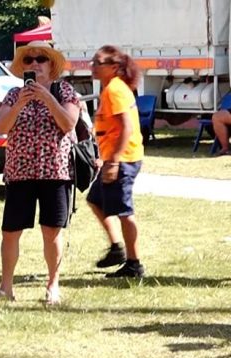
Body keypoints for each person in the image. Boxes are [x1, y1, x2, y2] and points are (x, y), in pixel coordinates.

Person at [0, 41, 80, 307]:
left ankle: (53, 285)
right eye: (28, 60)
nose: (34, 64)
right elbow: (1, 127)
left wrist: (46, 97)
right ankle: (6, 288)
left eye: (41, 59)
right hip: (20, 172)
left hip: (55, 171)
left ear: (51, 66)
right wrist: (20, 104)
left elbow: (68, 123)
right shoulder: (14, 95)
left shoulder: (64, 92)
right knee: (10, 231)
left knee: (52, 231)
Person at [87, 45, 146, 278]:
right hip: (115, 158)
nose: (92, 66)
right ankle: (116, 249)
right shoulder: (111, 88)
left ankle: (134, 264)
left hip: (123, 159)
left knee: (124, 211)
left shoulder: (114, 90)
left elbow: (126, 128)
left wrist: (114, 162)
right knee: (95, 200)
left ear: (113, 68)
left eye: (97, 63)